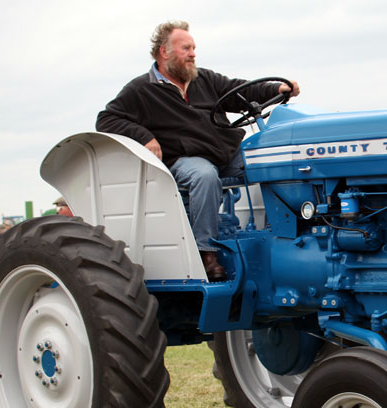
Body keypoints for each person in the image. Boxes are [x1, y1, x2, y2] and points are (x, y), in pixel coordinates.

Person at [96, 20, 300, 281]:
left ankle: (281, 235)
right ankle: (206, 252)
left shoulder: (204, 79)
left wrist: (277, 89)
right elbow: (107, 119)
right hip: (184, 158)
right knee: (204, 176)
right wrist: (144, 137)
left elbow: (240, 90)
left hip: (224, 152)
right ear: (164, 52)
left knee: (270, 161)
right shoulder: (141, 89)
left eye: (194, 48)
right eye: (186, 48)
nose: (193, 54)